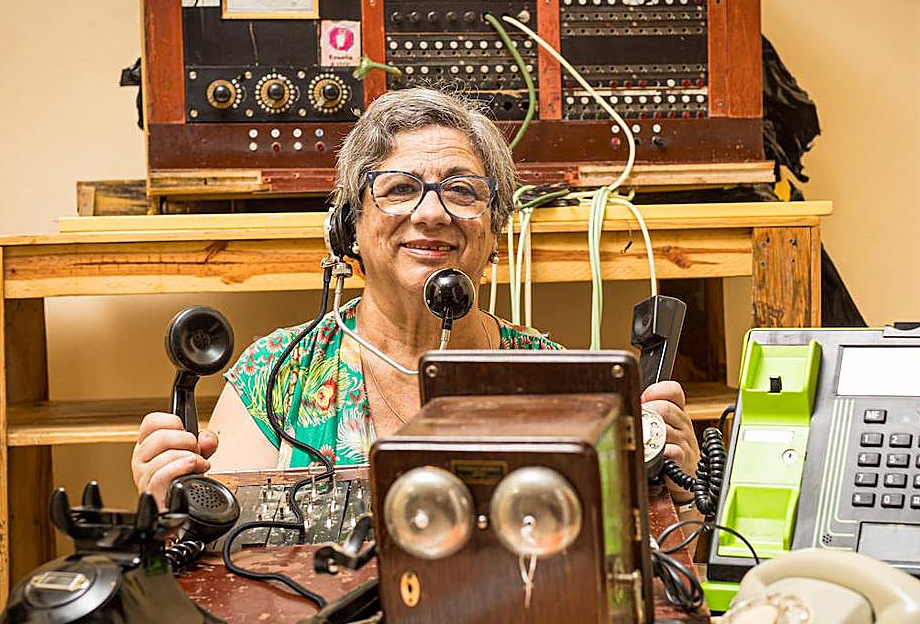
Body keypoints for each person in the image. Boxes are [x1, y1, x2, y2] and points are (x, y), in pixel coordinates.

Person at [131, 87, 699, 504]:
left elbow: (633, 562)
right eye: (400, 189)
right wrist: (178, 506)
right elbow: (229, 562)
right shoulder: (276, 375)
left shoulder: (559, 377)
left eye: (461, 189)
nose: (431, 212)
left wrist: (673, 484)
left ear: (493, 229)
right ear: (349, 227)